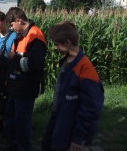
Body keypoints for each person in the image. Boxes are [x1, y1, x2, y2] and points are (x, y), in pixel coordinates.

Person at [41, 21, 104, 151]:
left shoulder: (85, 68)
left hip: (71, 126)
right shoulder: (67, 60)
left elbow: (90, 108)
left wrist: (78, 138)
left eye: (57, 44)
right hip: (59, 118)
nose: (55, 47)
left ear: (68, 43)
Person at [4, 7, 47, 151]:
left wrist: (14, 58)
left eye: (11, 25)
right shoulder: (21, 36)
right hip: (15, 86)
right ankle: (14, 145)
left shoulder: (35, 36)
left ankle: (24, 147)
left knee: (22, 122)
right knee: (11, 118)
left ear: (19, 20)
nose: (10, 28)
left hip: (26, 87)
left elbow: (33, 65)